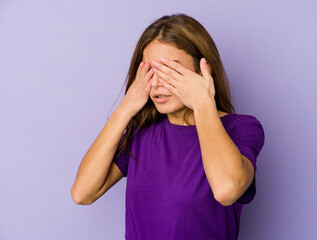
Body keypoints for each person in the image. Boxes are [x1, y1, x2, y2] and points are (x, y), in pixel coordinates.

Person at [71, 13, 265, 240]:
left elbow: (226, 190)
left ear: (204, 71)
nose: (158, 83)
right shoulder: (141, 133)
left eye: (170, 71)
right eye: (150, 71)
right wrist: (125, 109)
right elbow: (82, 193)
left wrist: (203, 102)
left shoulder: (241, 128)